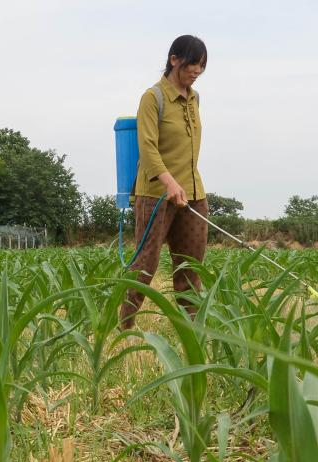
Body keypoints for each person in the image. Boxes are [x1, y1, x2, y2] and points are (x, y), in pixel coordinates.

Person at [119, 34, 209, 330]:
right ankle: (125, 327)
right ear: (174, 60)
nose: (195, 74)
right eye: (191, 67)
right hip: (156, 194)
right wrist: (170, 183)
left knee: (191, 266)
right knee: (145, 264)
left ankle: (192, 330)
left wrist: (185, 184)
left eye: (200, 69)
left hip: (193, 193)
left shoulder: (194, 98)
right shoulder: (153, 98)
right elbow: (147, 148)